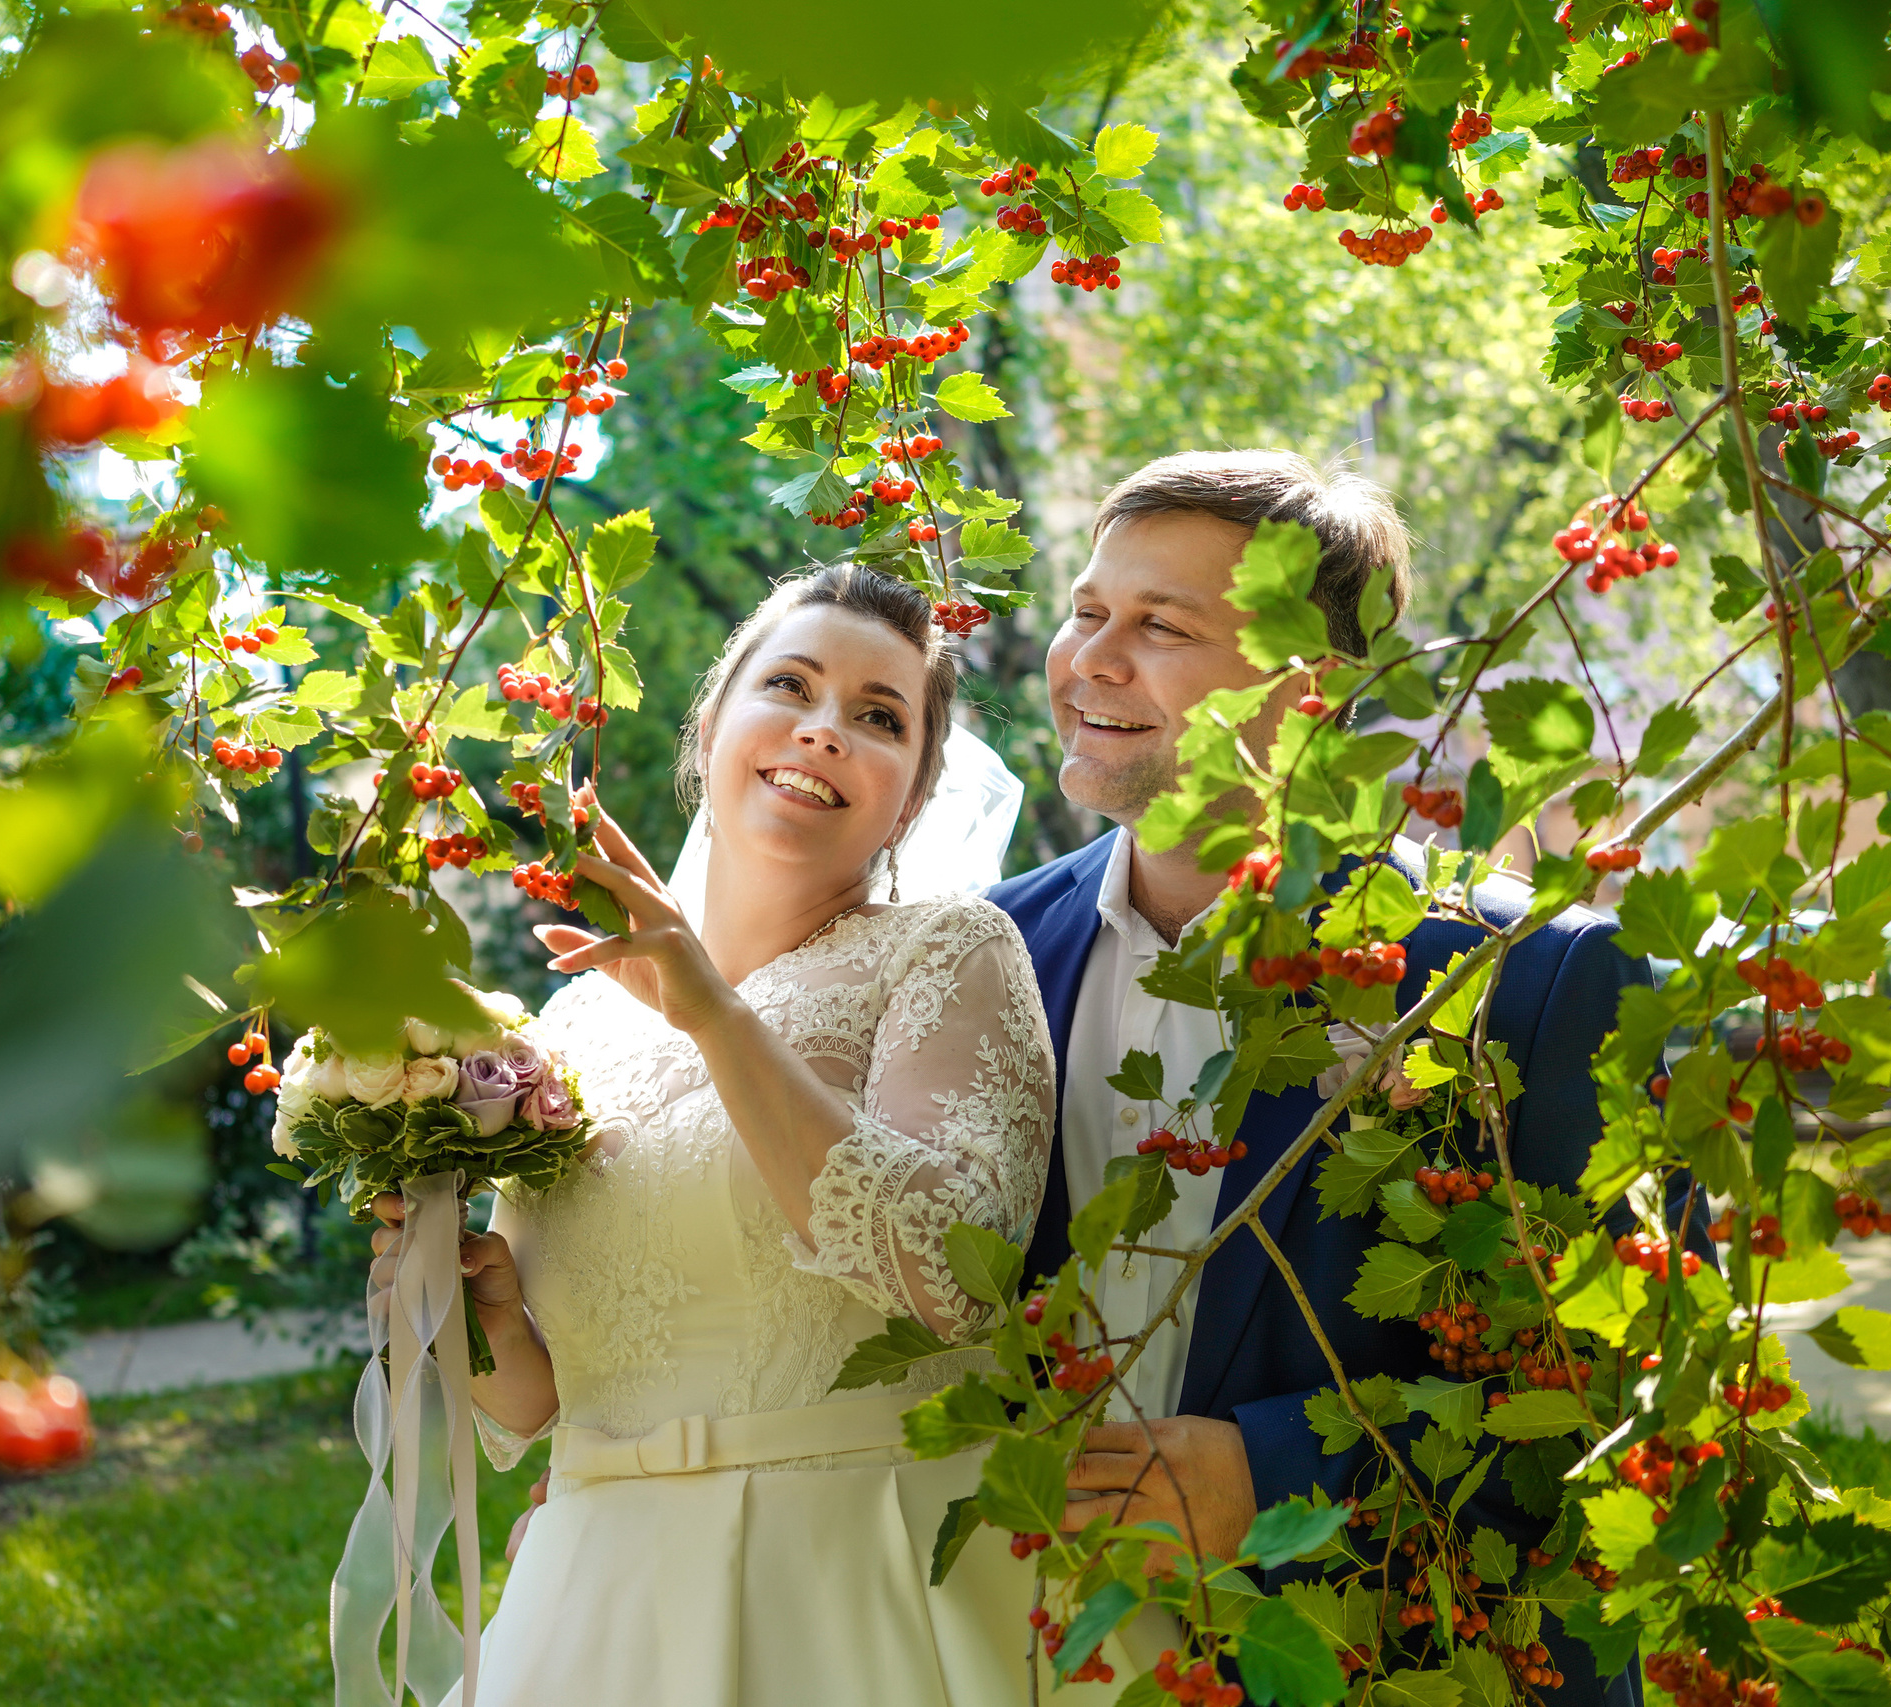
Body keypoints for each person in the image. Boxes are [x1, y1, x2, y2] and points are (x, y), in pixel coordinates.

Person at [374, 564, 1115, 1705]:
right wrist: (468, 1309)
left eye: (878, 718)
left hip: (857, 1581)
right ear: (713, 725)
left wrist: (718, 1018)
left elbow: (954, 1276)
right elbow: (532, 1406)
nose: (824, 733)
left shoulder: (949, 953)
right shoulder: (573, 1023)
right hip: (601, 1600)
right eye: (791, 686)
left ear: (913, 797)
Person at [989, 451, 1647, 1706]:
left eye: (1158, 627)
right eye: (1085, 613)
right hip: (1037, 1651)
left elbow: (1614, 1396)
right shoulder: (984, 954)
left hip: (1401, 1657)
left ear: (1312, 686)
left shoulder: (1520, 976)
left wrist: (1276, 1474)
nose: (1087, 663)